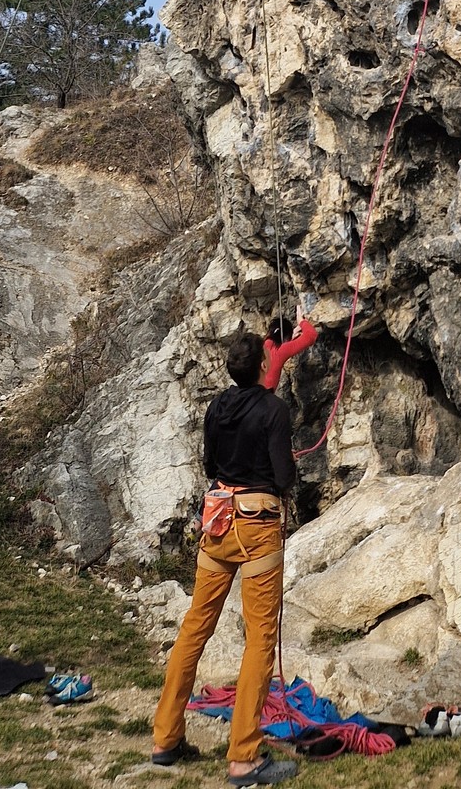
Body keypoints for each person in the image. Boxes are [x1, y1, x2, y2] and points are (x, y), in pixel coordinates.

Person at [151, 331, 297, 785]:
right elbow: (284, 476)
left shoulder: (217, 407)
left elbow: (211, 463)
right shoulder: (274, 410)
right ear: (261, 368)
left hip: (217, 520)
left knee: (196, 625)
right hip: (256, 523)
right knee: (259, 639)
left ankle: (165, 739)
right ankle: (244, 756)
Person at [261, 311, 317, 393]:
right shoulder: (280, 351)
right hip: (262, 400)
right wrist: (301, 321)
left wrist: (290, 338)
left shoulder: (262, 345)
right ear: (286, 337)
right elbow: (311, 335)